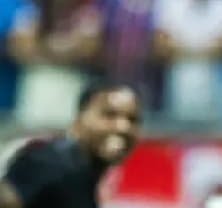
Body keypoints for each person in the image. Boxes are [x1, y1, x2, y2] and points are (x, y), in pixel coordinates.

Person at [0, 81, 141, 208]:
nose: (123, 127)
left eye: (132, 120)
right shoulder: (50, 161)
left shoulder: (88, 174)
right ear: (78, 120)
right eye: (109, 115)